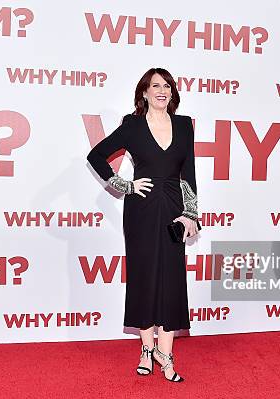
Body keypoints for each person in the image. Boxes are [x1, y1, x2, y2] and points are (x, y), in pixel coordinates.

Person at [86, 67, 199, 382]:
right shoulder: (132, 125)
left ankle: (166, 353)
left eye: (167, 86)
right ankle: (147, 349)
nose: (162, 90)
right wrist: (125, 185)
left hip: (174, 208)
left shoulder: (184, 125)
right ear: (145, 93)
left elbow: (188, 172)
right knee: (144, 277)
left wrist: (190, 214)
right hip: (141, 210)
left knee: (172, 280)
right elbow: (96, 156)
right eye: (155, 86)